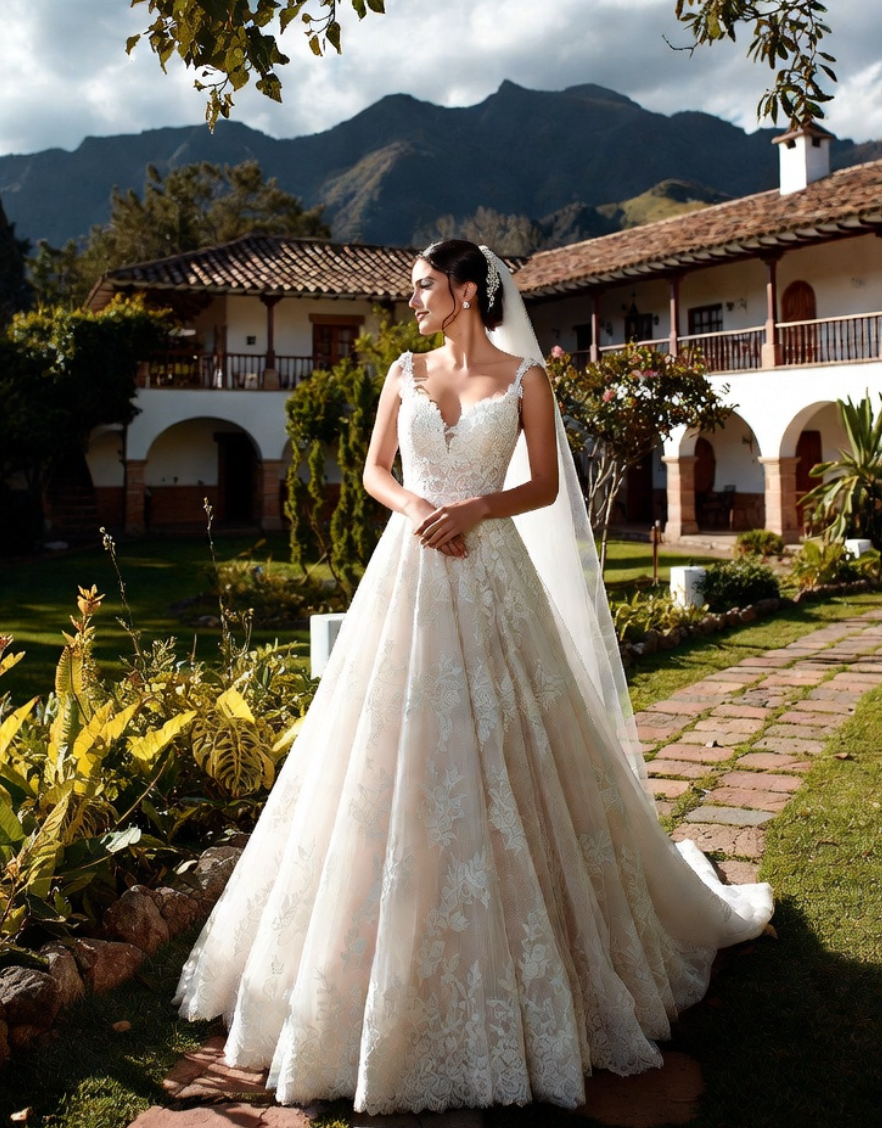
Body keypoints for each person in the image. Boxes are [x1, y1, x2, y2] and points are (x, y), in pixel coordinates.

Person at [175, 240, 773, 1114]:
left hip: (491, 571)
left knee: (511, 745)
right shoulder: (403, 372)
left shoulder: (527, 378)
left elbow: (544, 487)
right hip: (410, 569)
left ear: (463, 291)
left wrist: (476, 508)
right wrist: (421, 506)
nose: (411, 299)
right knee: (383, 751)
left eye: (423, 286)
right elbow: (375, 471)